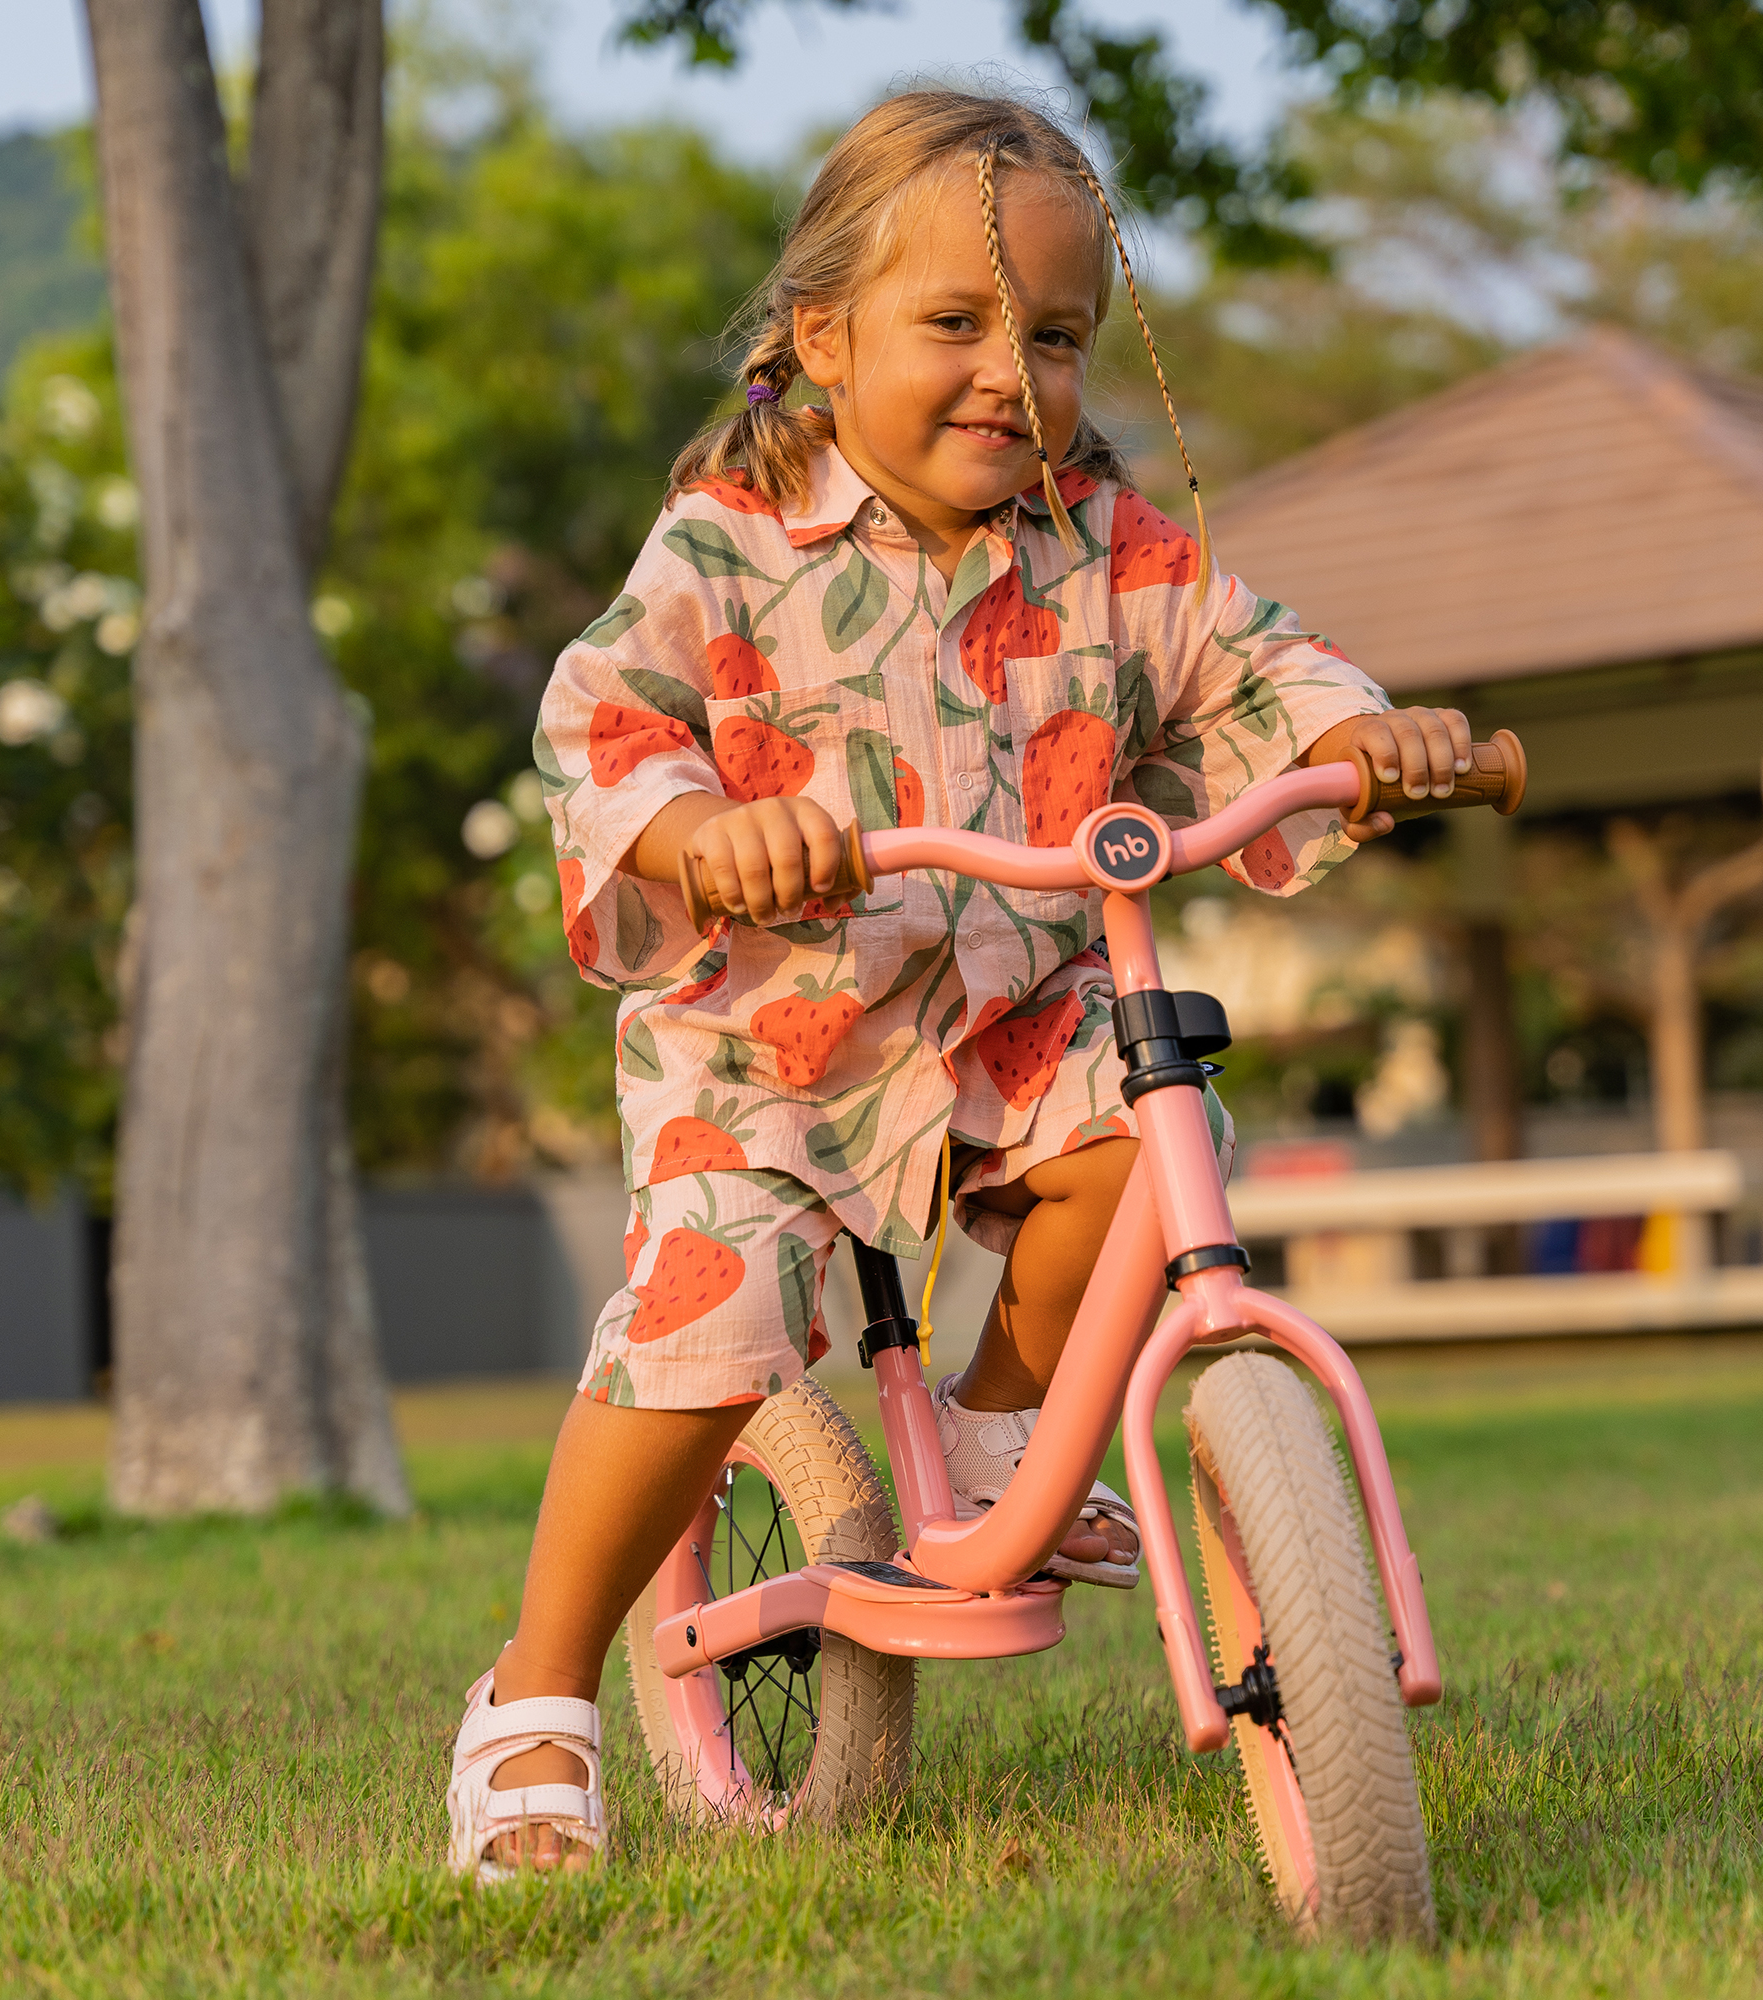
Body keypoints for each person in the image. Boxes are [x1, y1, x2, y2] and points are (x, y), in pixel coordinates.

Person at [445, 87, 1474, 1877]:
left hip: (1007, 1013)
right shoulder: (731, 548)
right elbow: (598, 721)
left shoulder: (1111, 549)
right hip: (770, 1041)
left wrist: (1367, 735)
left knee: (1150, 1126)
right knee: (713, 1333)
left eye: (1058, 335)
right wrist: (700, 830)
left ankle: (1006, 1433)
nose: (1016, 371)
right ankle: (538, 1696)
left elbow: (1255, 661)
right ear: (822, 340)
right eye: (959, 322)